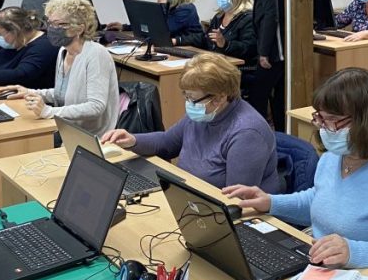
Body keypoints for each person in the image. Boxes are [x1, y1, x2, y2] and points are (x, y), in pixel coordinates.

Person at [223, 68, 368, 280]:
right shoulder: (338, 153)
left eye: (332, 120)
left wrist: (353, 252)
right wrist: (271, 203)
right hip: (330, 267)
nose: (324, 128)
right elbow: (321, 199)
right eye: (320, 118)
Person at [102, 53, 280, 191]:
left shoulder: (247, 133)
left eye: (192, 99)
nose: (188, 104)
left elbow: (236, 199)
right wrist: (133, 140)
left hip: (221, 211)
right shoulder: (206, 112)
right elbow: (166, 143)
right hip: (187, 195)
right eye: (186, 96)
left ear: (219, 98)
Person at [6, 0, 119, 136]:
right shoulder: (63, 51)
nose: (52, 29)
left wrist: (49, 111)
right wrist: (31, 92)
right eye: (50, 23)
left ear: (79, 29)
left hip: (92, 135)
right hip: (67, 128)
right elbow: (63, 93)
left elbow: (96, 106)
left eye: (59, 24)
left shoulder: (96, 54)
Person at [240, 0, 286, 130]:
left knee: (258, 95)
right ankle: (282, 132)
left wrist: (264, 52)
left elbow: (270, 17)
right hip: (283, 48)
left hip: (274, 50)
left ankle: (256, 132)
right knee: (280, 96)